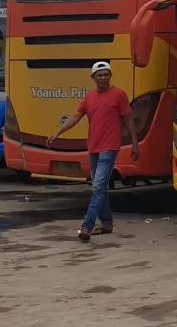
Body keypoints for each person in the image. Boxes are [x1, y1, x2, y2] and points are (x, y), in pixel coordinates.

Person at [47, 61, 140, 242]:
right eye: (100, 75)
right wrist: (58, 132)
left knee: (98, 187)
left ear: (110, 76)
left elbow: (129, 120)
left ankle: (86, 226)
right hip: (93, 147)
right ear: (93, 77)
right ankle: (106, 223)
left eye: (106, 74)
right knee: (101, 187)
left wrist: (135, 144)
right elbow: (76, 116)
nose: (103, 78)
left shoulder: (119, 95)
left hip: (110, 147)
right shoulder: (89, 97)